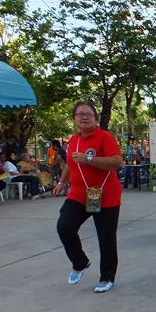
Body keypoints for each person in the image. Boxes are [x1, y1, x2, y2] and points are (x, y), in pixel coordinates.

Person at [53, 101, 125, 293]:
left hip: (105, 194)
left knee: (106, 238)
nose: (84, 117)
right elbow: (70, 163)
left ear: (95, 117)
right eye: (79, 114)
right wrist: (62, 182)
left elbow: (118, 161)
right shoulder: (74, 140)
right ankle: (80, 262)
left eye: (88, 114)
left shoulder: (105, 137)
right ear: (74, 118)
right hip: (78, 194)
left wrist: (89, 159)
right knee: (65, 227)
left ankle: (107, 277)